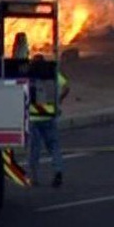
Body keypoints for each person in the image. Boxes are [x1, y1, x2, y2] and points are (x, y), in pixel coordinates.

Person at [27, 54, 69, 188]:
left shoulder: (30, 75)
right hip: (49, 115)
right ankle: (58, 171)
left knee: (34, 150)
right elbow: (66, 87)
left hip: (33, 117)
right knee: (54, 146)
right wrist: (58, 101)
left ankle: (33, 178)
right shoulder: (52, 74)